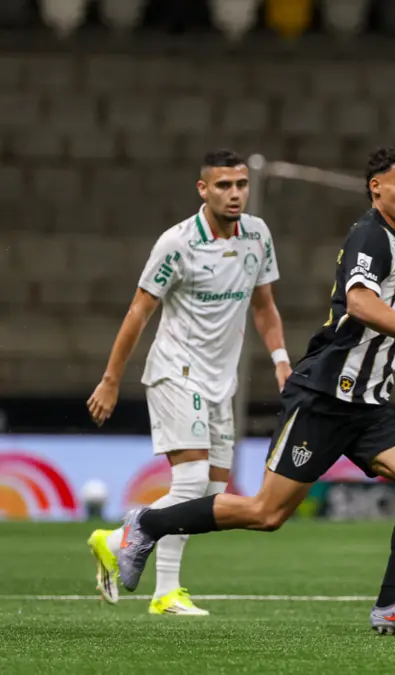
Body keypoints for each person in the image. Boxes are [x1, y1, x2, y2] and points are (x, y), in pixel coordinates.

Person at [109, 146, 395, 635]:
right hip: (324, 398)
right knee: (266, 512)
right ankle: (147, 524)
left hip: (367, 405)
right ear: (375, 188)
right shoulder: (370, 236)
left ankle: (391, 604)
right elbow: (361, 303)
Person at [86, 149, 289, 616]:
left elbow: (264, 304)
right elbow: (139, 310)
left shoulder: (257, 235)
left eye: (240, 184)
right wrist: (111, 379)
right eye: (223, 185)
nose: (234, 193)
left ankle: (164, 591)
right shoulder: (176, 243)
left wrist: (281, 360)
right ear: (203, 189)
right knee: (192, 479)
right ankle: (119, 538)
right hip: (177, 372)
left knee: (212, 497)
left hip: (221, 381)